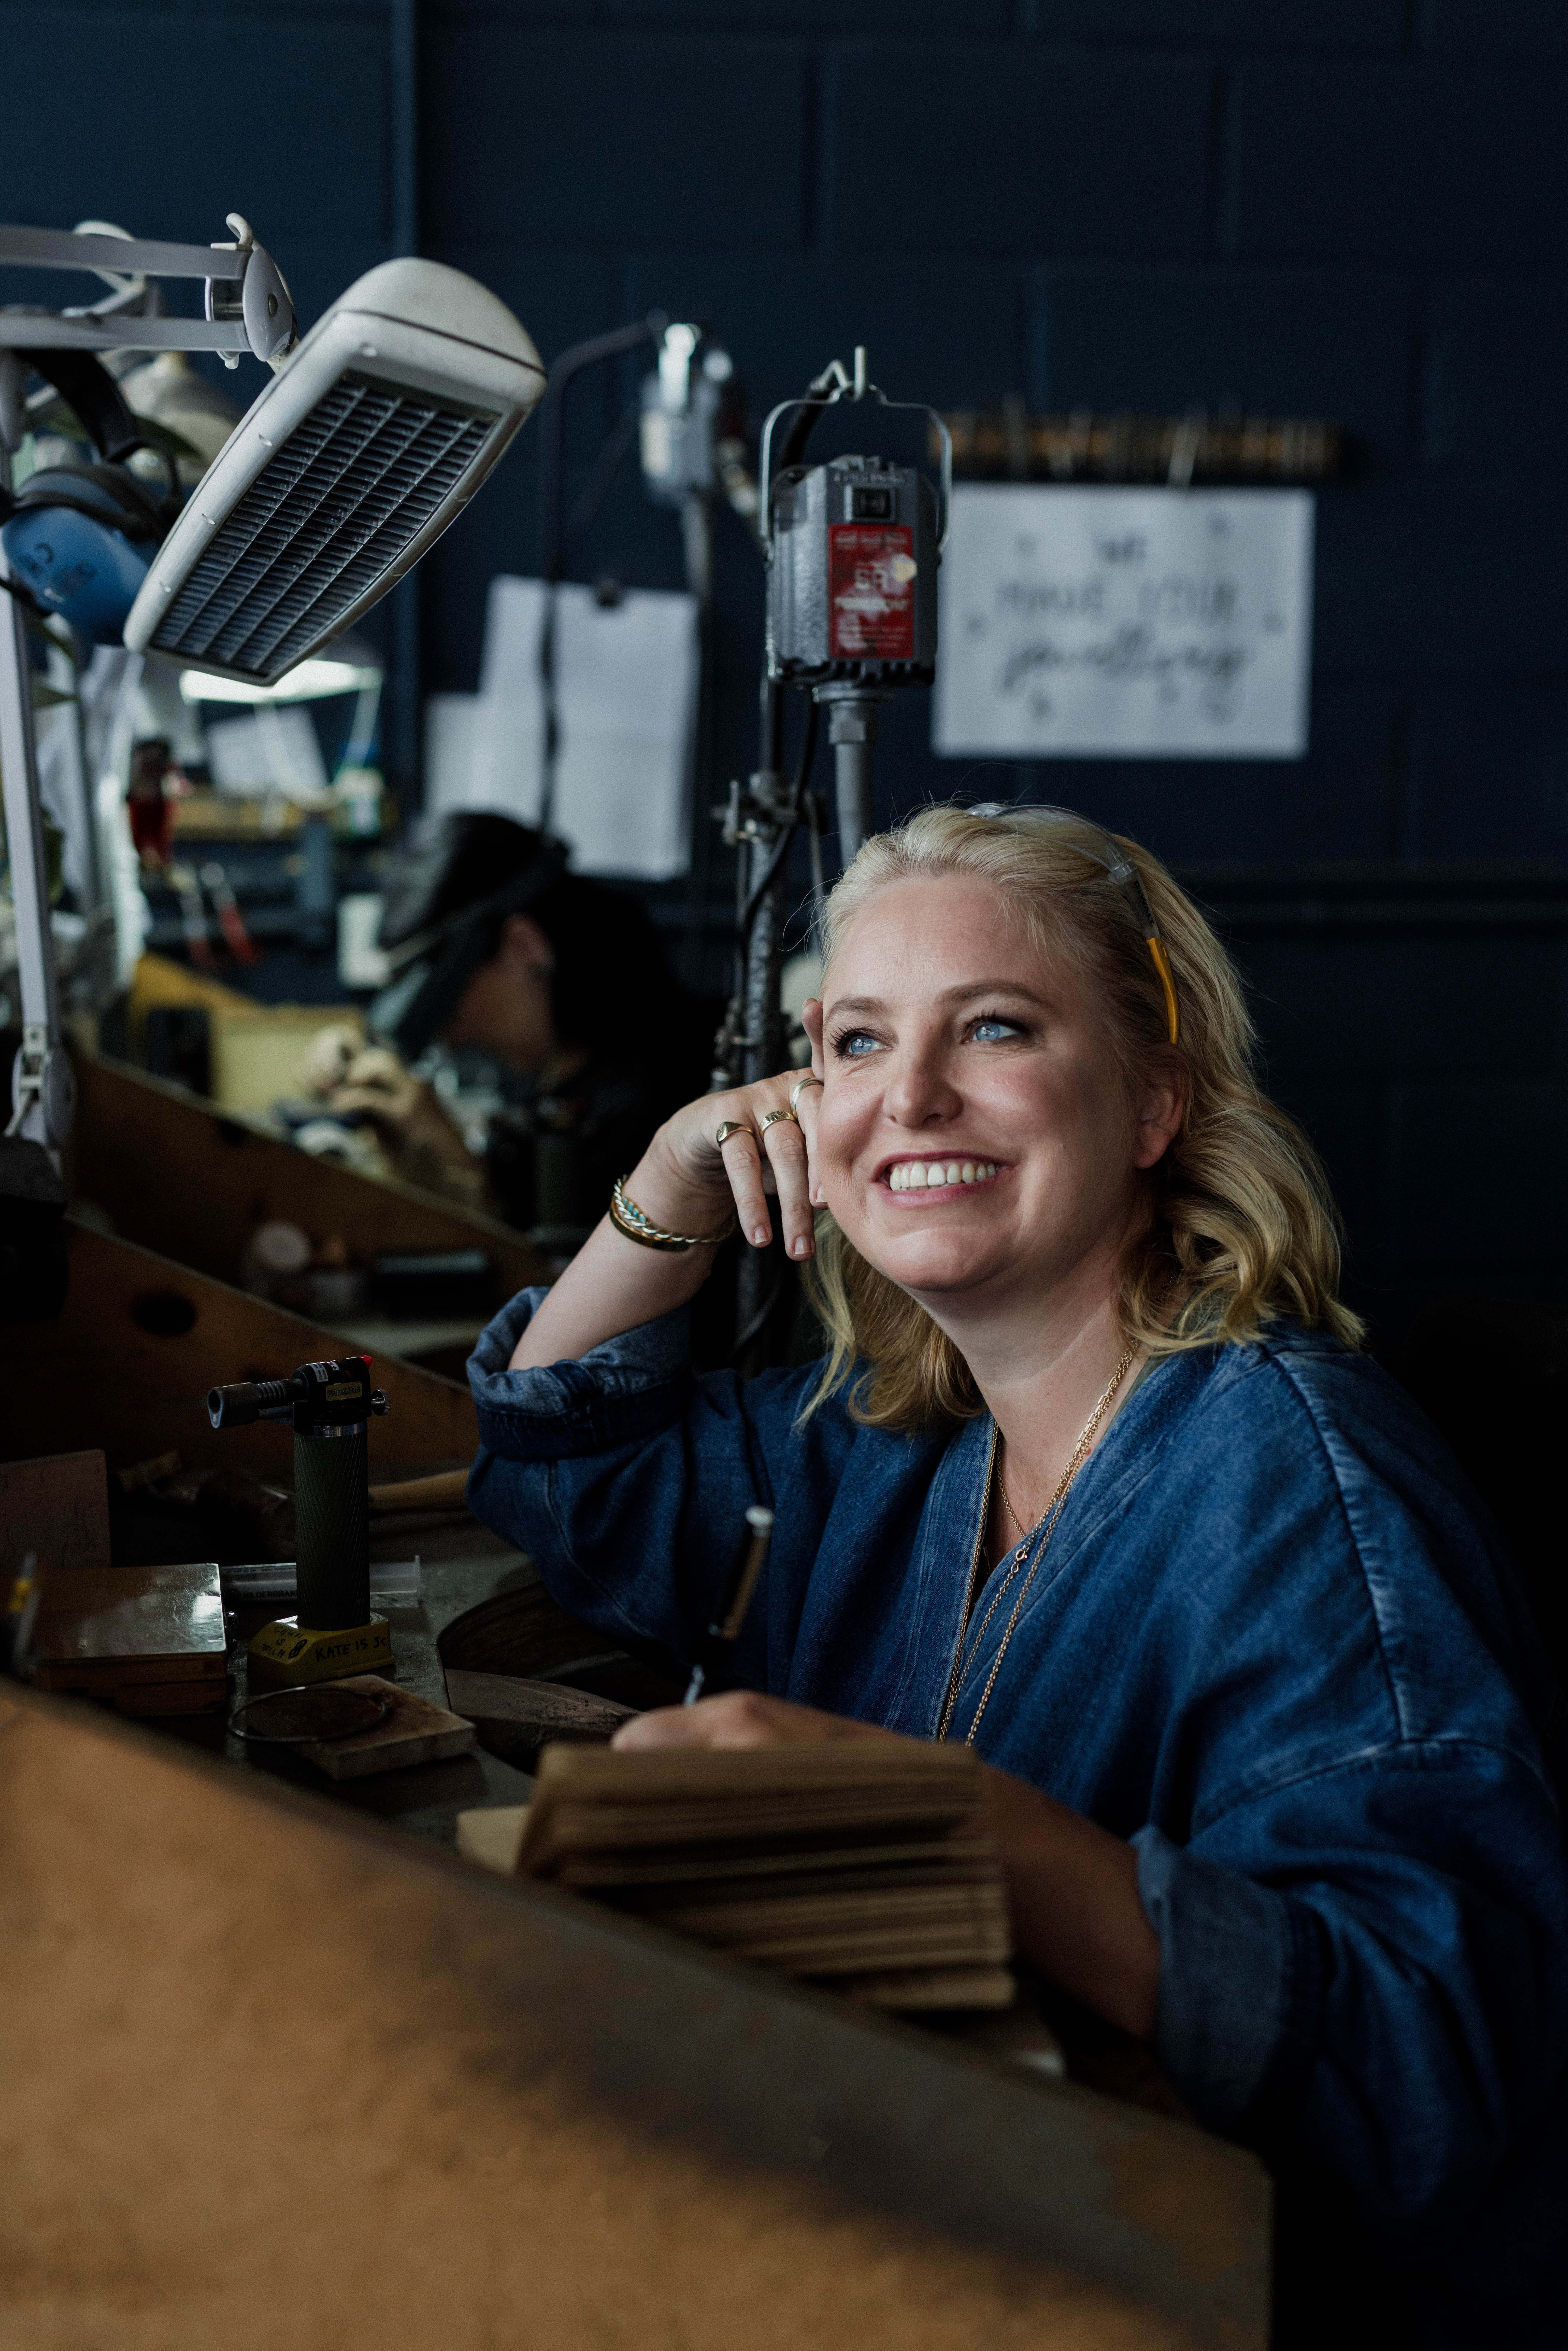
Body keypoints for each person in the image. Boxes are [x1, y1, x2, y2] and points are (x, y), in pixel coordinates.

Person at [464, 803, 1567, 2349]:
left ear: (1152, 1105)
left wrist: (955, 1824)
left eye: (994, 1028)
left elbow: (1419, 2070)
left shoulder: (1295, 1493)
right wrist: (670, 1181)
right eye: (854, 1043)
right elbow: (564, 1474)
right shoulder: (898, 1437)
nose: (907, 1095)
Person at [327, 811, 717, 1235]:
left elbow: (576, 1280)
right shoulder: (569, 1070)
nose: (453, 1038)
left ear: (522, 947)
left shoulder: (670, 1092)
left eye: (452, 1006)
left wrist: (472, 1179)